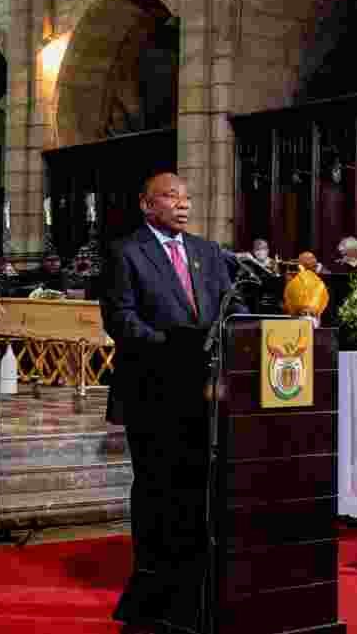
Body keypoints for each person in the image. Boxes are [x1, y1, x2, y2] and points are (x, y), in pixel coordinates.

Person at [100, 170, 245, 634]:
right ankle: (152, 578)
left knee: (197, 485)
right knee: (155, 485)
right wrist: (169, 348)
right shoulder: (126, 252)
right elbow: (119, 318)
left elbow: (232, 307)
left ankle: (192, 576)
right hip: (151, 390)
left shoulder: (206, 252)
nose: (182, 205)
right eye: (170, 197)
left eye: (186, 197)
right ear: (147, 205)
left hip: (206, 394)